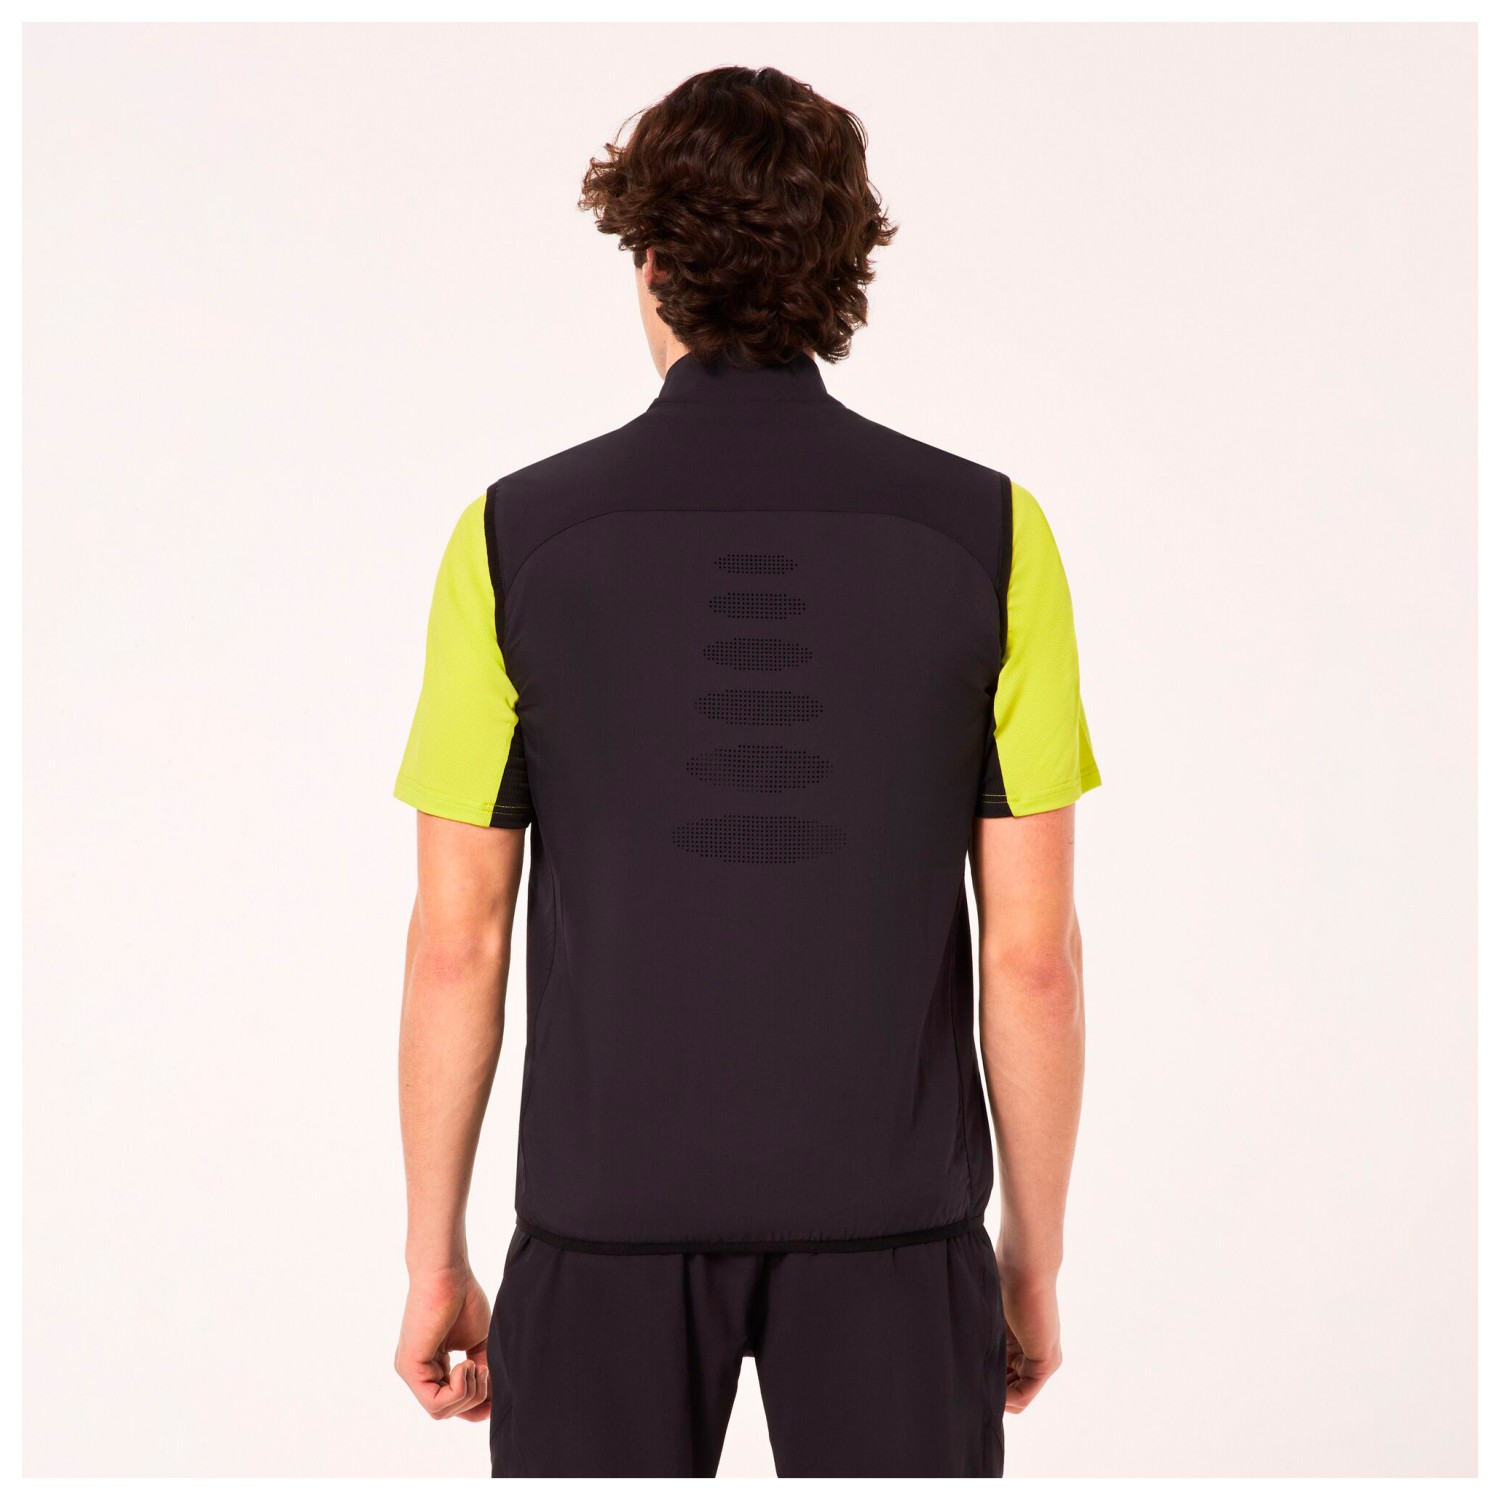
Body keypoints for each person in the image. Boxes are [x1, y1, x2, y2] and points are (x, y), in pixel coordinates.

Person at [391, 65, 1098, 1479]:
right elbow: (1031, 960)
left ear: (649, 261)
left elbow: (458, 938)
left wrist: (434, 1261)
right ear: (841, 274)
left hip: (602, 1218)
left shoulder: (514, 540)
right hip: (898, 1226)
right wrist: (1030, 1262)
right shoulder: (991, 535)